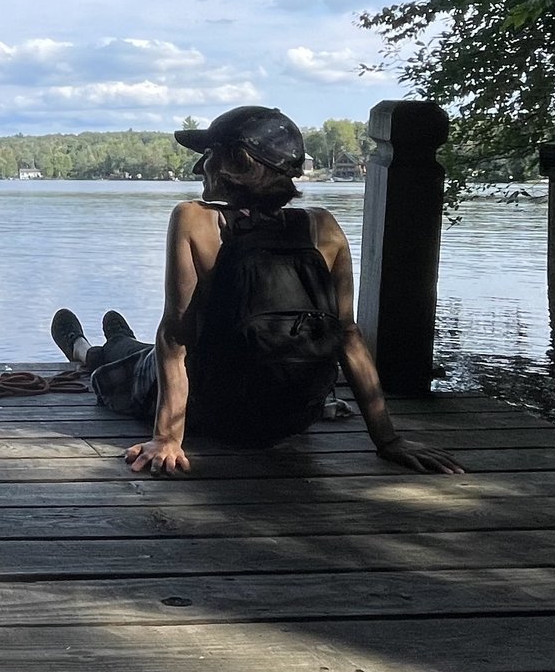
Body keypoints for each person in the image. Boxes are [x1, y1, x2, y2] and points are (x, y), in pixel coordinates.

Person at [50, 105, 461, 477]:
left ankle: (87, 350)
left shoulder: (193, 219)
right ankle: (119, 338)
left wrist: (168, 439)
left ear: (235, 162)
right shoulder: (323, 226)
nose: (200, 167)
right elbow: (348, 335)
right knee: (142, 353)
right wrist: (388, 440)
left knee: (121, 370)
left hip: (212, 410)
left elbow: (176, 338)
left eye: (209, 154)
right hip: (293, 415)